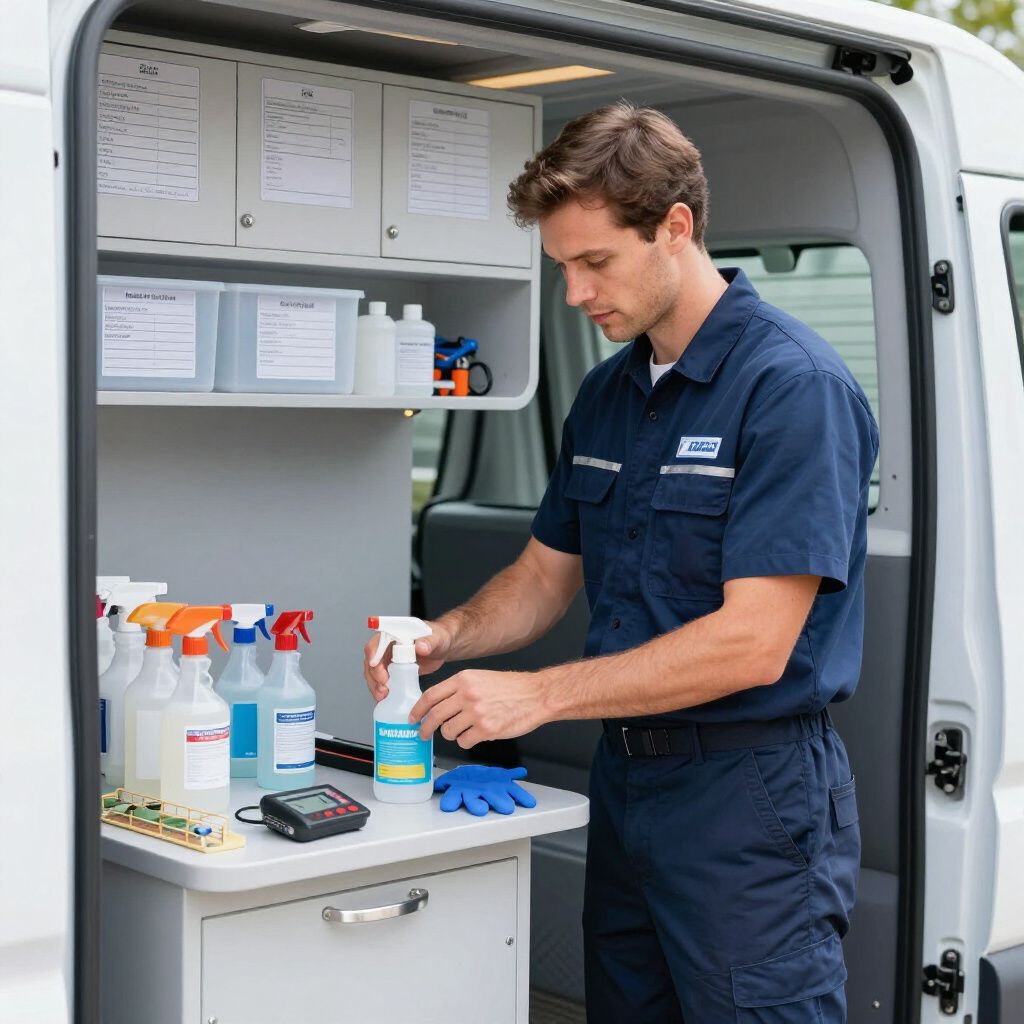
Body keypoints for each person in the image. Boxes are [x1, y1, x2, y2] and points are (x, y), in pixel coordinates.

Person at [363, 101, 877, 1023]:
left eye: (594, 262)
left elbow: (753, 645)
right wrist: (447, 636)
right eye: (562, 266)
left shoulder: (793, 390)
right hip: (632, 782)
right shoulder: (608, 392)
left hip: (749, 801)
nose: (575, 293)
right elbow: (543, 575)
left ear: (676, 229)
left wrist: (537, 695)